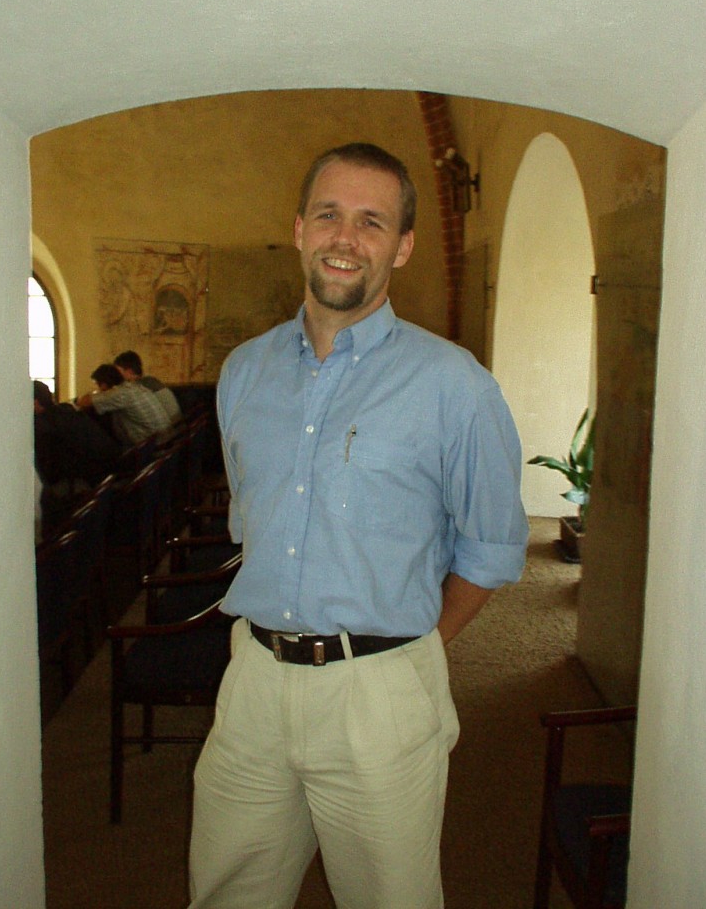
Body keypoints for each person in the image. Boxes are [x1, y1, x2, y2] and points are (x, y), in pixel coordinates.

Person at [187, 143, 529, 909]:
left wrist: (405, 653)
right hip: (254, 684)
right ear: (300, 229)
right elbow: (251, 518)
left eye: (372, 221)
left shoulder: (454, 385)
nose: (346, 237)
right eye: (329, 215)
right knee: (226, 895)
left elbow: (493, 548)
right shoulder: (244, 372)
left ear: (402, 246)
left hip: (380, 694)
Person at [33, 379, 122, 534]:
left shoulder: (42, 426)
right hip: (104, 477)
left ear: (35, 403)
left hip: (80, 484)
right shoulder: (67, 410)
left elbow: (49, 472)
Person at [76, 363, 172, 446]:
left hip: (150, 448)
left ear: (103, 384)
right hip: (165, 442)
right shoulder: (134, 387)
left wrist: (95, 392)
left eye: (97, 384)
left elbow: (83, 402)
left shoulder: (119, 394)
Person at [113, 349, 183, 425]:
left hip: (167, 429)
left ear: (130, 371)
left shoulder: (138, 387)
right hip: (178, 428)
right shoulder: (151, 381)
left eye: (118, 372)